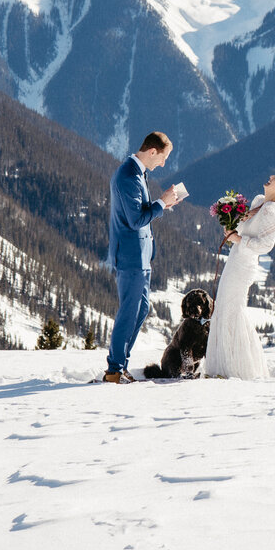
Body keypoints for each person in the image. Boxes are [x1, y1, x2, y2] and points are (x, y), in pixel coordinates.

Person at [103, 132, 184, 384]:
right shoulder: (128, 176)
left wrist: (163, 204)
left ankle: (120, 365)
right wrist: (160, 203)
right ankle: (114, 370)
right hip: (130, 255)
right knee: (129, 311)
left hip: (141, 255)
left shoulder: (137, 173)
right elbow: (136, 219)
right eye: (163, 158)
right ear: (152, 152)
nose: (163, 164)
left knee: (141, 308)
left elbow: (139, 212)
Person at [203, 170, 275, 379]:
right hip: (235, 259)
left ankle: (235, 368)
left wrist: (238, 240)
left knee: (232, 310)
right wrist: (229, 228)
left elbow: (266, 245)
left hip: (244, 264)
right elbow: (244, 230)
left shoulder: (271, 210)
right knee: (223, 308)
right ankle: (223, 366)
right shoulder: (259, 202)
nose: (271, 178)